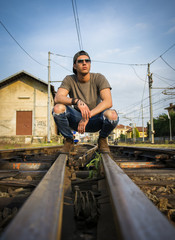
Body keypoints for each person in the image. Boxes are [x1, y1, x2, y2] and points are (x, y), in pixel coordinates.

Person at [53, 50, 119, 153]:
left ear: (90, 64)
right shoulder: (69, 79)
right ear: (74, 66)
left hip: (95, 119)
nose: (84, 63)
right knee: (57, 108)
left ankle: (102, 139)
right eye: (80, 61)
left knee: (112, 115)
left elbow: (108, 102)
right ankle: (69, 140)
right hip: (77, 120)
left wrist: (87, 115)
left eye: (87, 61)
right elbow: (58, 98)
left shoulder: (99, 78)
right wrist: (77, 101)